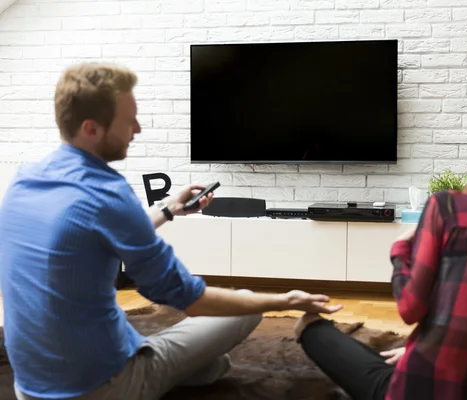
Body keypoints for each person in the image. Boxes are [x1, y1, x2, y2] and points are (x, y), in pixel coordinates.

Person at [0, 62, 342, 400]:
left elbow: (99, 230)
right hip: (99, 388)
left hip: (28, 386)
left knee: (205, 361)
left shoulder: (25, 180)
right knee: (246, 308)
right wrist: (286, 299)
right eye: (128, 119)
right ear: (91, 129)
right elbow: (191, 300)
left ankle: (194, 367)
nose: (138, 129)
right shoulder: (107, 193)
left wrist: (169, 209)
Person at [294, 121, 467, 400]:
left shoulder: (448, 206)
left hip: (417, 390)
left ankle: (313, 330)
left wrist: (400, 248)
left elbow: (410, 309)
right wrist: (418, 350)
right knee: (396, 355)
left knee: (311, 327)